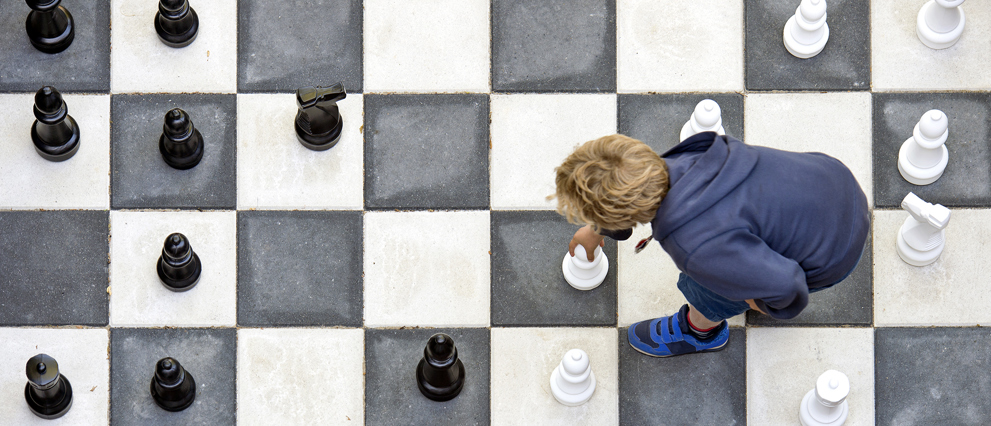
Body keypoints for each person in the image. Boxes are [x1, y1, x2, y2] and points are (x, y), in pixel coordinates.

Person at [553, 132, 869, 357]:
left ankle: (699, 332)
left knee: (705, 290)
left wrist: (760, 304)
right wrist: (598, 229)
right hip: (835, 181)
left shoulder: (695, 247)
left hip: (834, 255)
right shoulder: (689, 156)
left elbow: (789, 284)